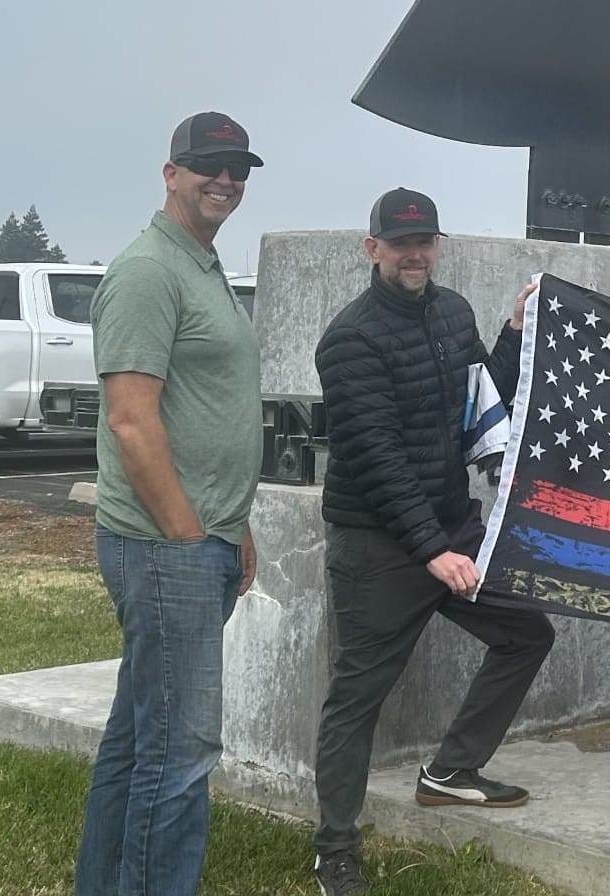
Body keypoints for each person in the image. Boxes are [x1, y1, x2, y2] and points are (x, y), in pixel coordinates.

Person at [311, 188, 554, 896]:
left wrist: (512, 333)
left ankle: (449, 772)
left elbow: (483, 406)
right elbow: (378, 459)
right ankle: (334, 852)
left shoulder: (452, 313)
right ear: (373, 249)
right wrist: (432, 551)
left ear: (437, 245)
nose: (414, 254)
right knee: (357, 700)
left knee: (526, 636)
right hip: (379, 549)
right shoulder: (349, 339)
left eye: (425, 242)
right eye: (400, 243)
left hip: (449, 529)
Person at [73, 112, 266, 896]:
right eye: (207, 166)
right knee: (182, 756)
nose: (224, 179)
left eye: (237, 168)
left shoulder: (202, 264)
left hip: (201, 537)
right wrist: (189, 536)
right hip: (164, 546)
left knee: (137, 742)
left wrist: (234, 523)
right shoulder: (149, 271)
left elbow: (201, 408)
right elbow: (131, 418)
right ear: (170, 172)